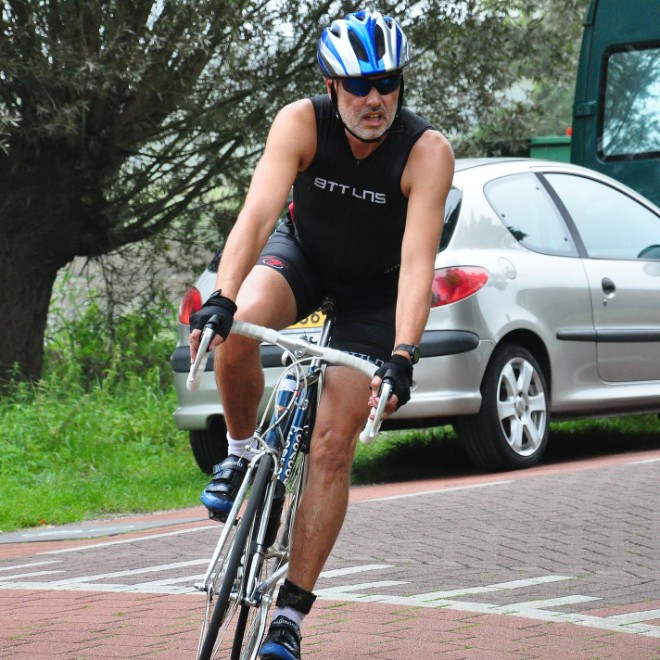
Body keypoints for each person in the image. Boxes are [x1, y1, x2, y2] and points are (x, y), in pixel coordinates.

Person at [189, 9, 454, 659]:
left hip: (375, 294)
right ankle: (242, 453)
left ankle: (288, 617)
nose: (374, 98)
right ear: (332, 85)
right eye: (358, 85)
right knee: (239, 328)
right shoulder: (300, 122)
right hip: (302, 258)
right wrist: (222, 296)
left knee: (333, 446)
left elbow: (418, 263)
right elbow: (257, 214)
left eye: (387, 82)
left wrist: (403, 354)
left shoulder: (426, 152)